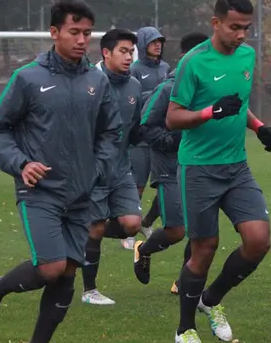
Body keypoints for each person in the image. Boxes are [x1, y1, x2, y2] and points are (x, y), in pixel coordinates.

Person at [0, 0, 121, 341]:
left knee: (67, 274)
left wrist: (97, 168)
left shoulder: (97, 83)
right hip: (39, 192)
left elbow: (111, 132)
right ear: (54, 32)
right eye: (74, 32)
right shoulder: (27, 78)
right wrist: (21, 163)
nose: (82, 40)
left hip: (82, 194)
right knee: (51, 268)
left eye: (87, 33)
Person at [166, 0, 271, 343]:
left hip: (237, 167)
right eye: (234, 27)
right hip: (199, 168)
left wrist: (260, 128)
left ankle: (211, 299)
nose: (241, 35)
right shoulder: (193, 63)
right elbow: (172, 118)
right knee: (205, 248)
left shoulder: (246, 56)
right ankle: (185, 329)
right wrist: (207, 112)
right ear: (216, 23)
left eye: (246, 27)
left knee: (258, 241)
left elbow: (237, 104)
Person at [135, 31, 210, 296]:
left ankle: (183, 281)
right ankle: (143, 249)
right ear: (188, 57)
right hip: (169, 168)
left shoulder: (206, 87)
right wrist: (173, 141)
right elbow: (145, 126)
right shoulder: (168, 88)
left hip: (199, 167)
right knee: (177, 231)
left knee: (201, 232)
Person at [80, 28, 144, 306]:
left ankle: (79, 229)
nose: (129, 56)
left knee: (132, 225)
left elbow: (137, 129)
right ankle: (89, 290)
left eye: (131, 51)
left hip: (121, 170)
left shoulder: (135, 87)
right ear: (106, 53)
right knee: (94, 229)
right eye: (123, 51)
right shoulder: (88, 82)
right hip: (92, 170)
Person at [125, 26, 170, 249]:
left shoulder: (166, 68)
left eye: (160, 41)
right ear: (142, 44)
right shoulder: (134, 69)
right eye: (153, 41)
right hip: (141, 137)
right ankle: (127, 232)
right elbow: (131, 99)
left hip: (162, 136)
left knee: (166, 184)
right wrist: (155, 96)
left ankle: (147, 221)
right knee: (139, 186)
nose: (158, 45)